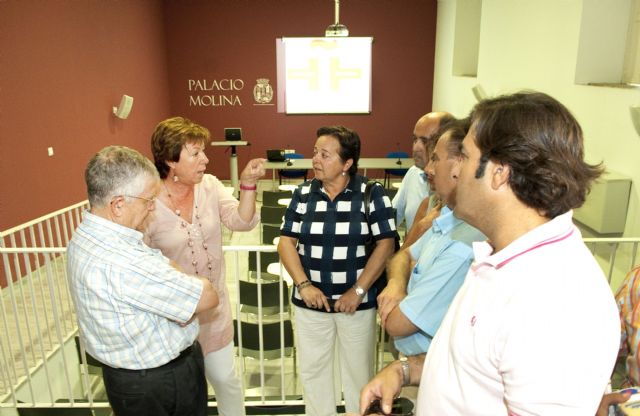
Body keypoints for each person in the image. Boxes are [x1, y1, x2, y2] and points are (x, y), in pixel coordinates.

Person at [360, 91, 620, 415]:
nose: (456, 172)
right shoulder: (501, 257)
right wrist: (406, 370)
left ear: (499, 173)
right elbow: (477, 369)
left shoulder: (553, 298)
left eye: (465, 157)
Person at [67, 145, 219, 416]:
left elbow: (167, 272)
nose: (152, 208)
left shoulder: (87, 235)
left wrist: (172, 290)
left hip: (130, 380)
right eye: (148, 200)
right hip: (159, 384)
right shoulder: (123, 260)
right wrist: (180, 294)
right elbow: (207, 296)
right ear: (118, 205)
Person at [144, 116, 265, 416]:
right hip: (173, 320)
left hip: (214, 313)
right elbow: (141, 260)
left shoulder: (210, 186)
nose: (206, 159)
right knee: (186, 393)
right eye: (196, 153)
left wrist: (248, 184)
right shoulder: (147, 201)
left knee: (226, 381)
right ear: (170, 160)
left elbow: (241, 221)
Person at [278, 125, 398, 416]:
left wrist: (358, 290)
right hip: (310, 305)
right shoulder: (303, 194)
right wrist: (304, 285)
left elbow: (386, 244)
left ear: (347, 163)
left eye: (325, 154)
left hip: (356, 306)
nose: (315, 160)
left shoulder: (371, 193)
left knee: (359, 375)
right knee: (314, 373)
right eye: (315, 152)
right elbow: (285, 242)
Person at [377, 119, 484, 357]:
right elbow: (402, 255)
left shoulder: (464, 246)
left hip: (430, 360)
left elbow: (396, 323)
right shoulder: (444, 217)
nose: (428, 169)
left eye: (435, 158)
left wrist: (404, 279)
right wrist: (397, 284)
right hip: (414, 359)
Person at [392, 112, 453, 230]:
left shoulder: (455, 188)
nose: (416, 148)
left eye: (425, 141)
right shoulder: (413, 173)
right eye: (415, 139)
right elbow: (394, 215)